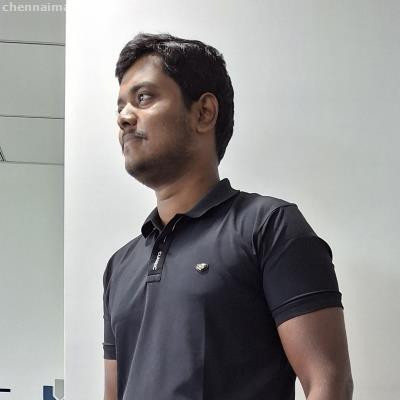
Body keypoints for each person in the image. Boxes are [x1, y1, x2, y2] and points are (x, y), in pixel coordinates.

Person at [103, 33, 353, 400]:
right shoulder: (119, 266)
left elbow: (328, 384)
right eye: (120, 106)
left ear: (204, 112)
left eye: (144, 97)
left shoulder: (269, 227)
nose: (125, 118)